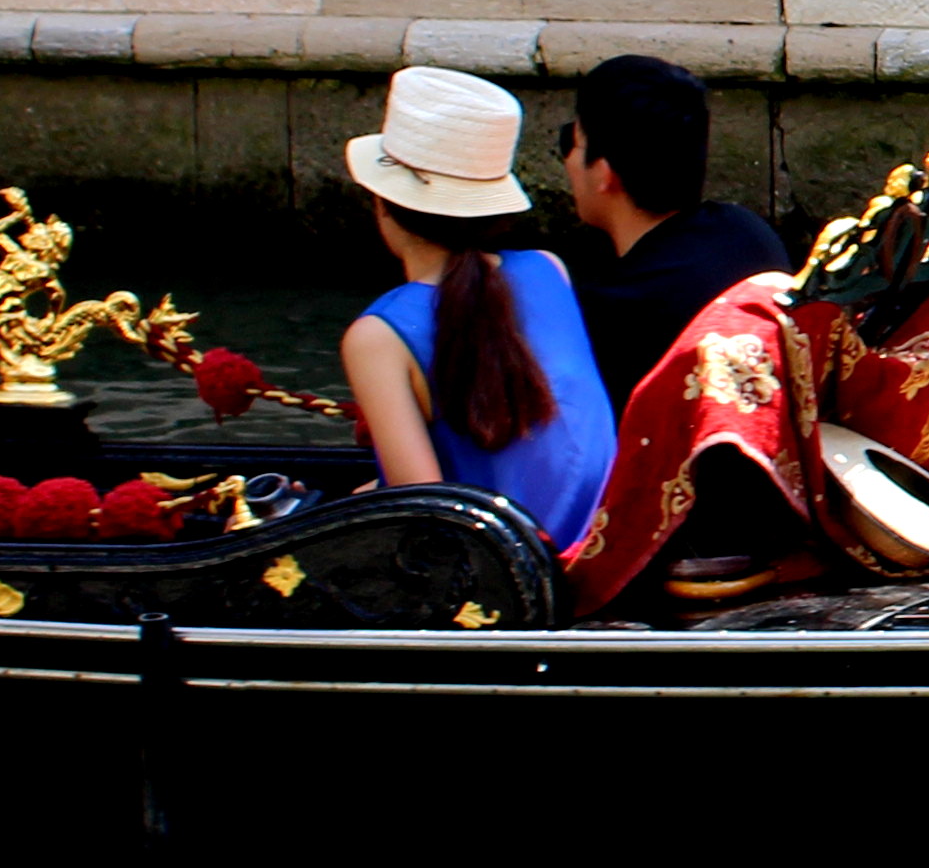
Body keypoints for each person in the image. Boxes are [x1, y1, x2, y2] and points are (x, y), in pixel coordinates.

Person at [337, 64, 619, 547]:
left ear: (383, 203)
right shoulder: (549, 270)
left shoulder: (377, 338)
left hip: (504, 572)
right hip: (598, 550)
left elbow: (424, 517)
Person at [562, 53, 790, 401]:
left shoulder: (605, 313)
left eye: (570, 142)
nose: (567, 160)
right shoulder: (749, 234)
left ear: (606, 174)